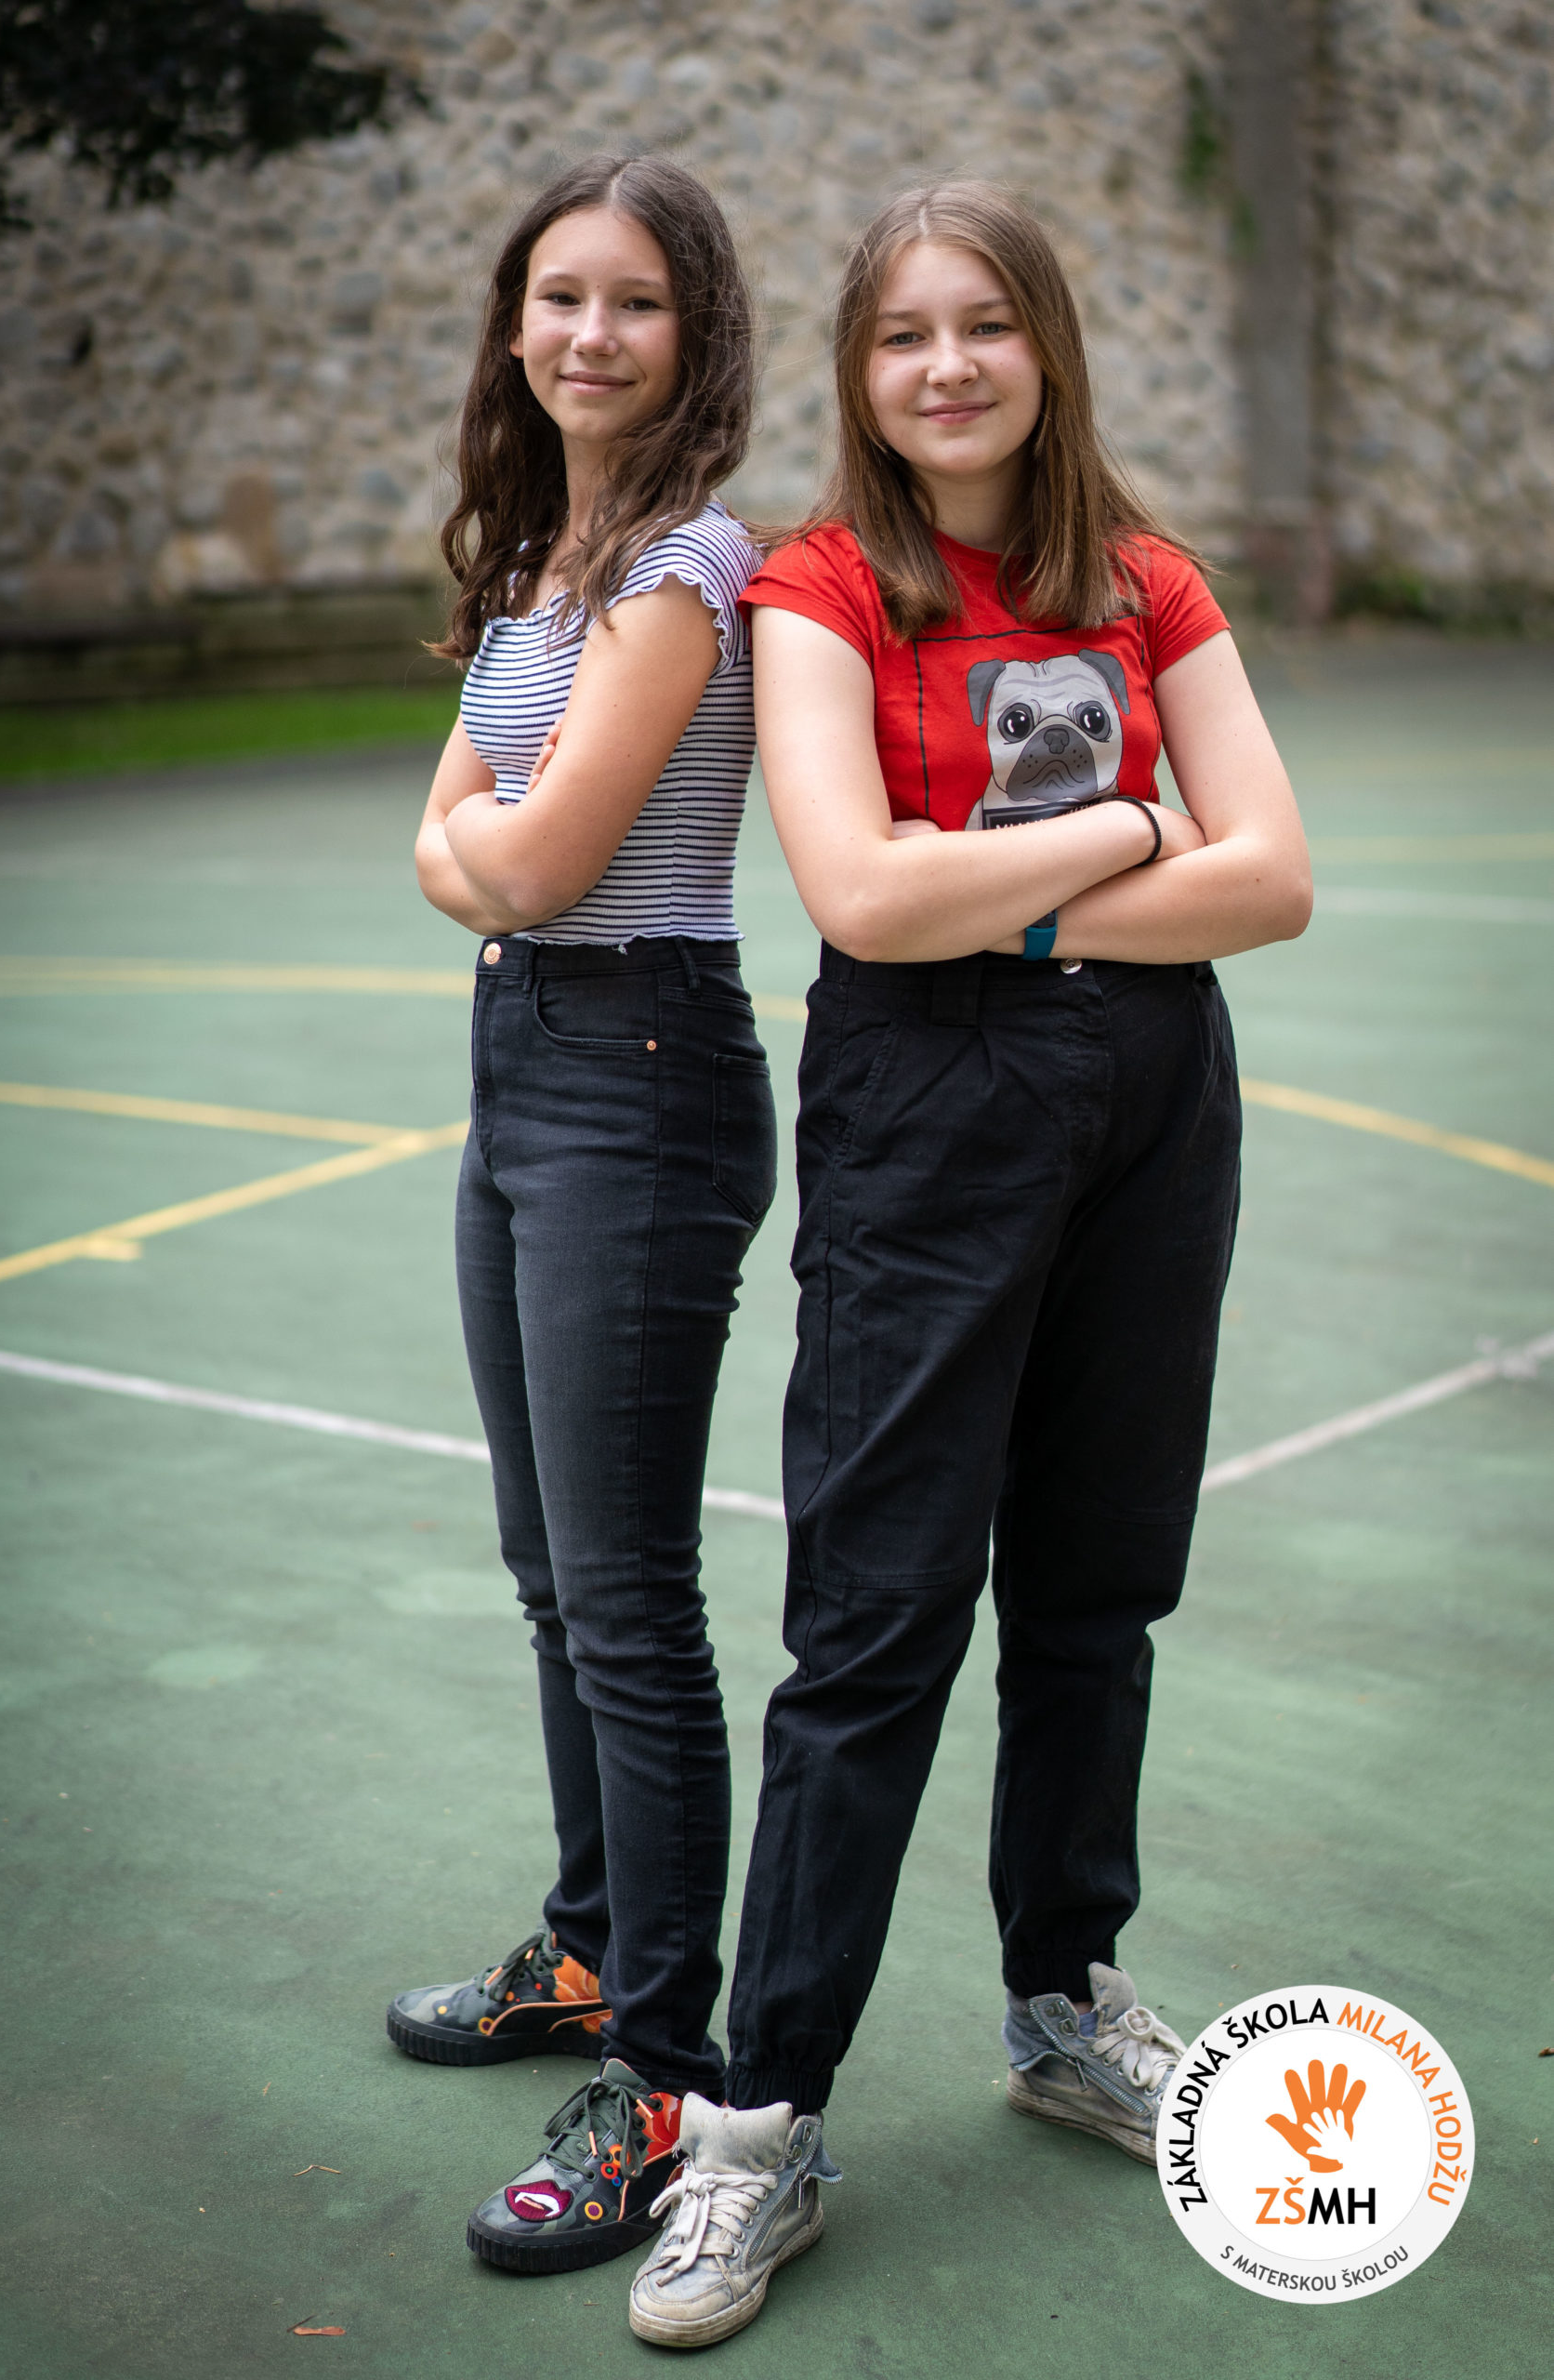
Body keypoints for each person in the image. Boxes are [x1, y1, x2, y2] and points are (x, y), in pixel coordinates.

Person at [626, 180, 1311, 2348]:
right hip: (924, 1114)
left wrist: (982, 880)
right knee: (875, 1615)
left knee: (1099, 1581)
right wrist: (1129, 831)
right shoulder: (822, 585)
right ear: (860, 369)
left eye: (983, 325)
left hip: (1152, 1108)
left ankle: (1059, 1994)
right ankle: (758, 2121)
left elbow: (1277, 880)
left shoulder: (1147, 578)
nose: (945, 366)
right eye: (903, 332)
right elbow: (853, 894)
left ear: (1043, 350)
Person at [391, 153, 777, 2281]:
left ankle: (661, 2069)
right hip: (525, 1059)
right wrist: (484, 849)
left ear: (690, 331)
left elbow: (517, 861)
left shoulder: (687, 562)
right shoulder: (550, 556)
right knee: (552, 1574)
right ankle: (584, 1944)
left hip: (636, 1063)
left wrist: (483, 851)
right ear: (515, 320)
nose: (586, 335)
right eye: (556, 295)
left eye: (632, 300)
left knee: (626, 1601)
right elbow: (449, 827)